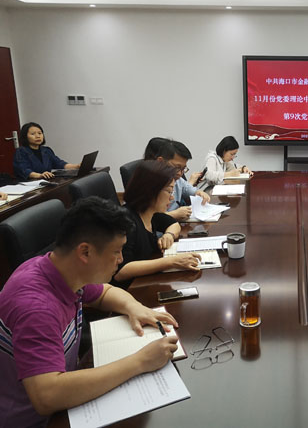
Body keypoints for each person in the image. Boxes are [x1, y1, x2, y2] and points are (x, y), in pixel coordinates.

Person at [0, 197, 180, 427]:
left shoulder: (61, 269)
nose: (121, 259)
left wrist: (135, 308)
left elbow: (104, 293)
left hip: (67, 393)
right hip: (38, 420)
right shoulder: (36, 307)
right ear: (85, 252)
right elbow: (47, 396)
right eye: (116, 251)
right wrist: (141, 361)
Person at [111, 160, 202, 289]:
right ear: (151, 191)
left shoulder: (151, 213)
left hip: (146, 281)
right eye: (169, 191)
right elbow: (120, 272)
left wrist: (169, 235)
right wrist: (171, 262)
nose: (172, 198)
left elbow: (173, 224)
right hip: (130, 289)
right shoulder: (126, 220)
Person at [154, 140, 210, 221]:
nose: (180, 173)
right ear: (160, 161)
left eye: (183, 169)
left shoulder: (177, 179)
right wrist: (174, 214)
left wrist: (199, 193)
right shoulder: (148, 182)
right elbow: (147, 218)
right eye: (177, 167)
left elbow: (189, 189)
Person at [12, 122, 80, 180]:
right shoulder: (21, 151)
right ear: (25, 136)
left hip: (46, 182)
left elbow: (59, 163)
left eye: (40, 133)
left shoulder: (46, 150)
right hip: (30, 184)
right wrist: (40, 175)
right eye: (33, 134)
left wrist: (77, 166)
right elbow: (24, 170)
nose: (37, 136)